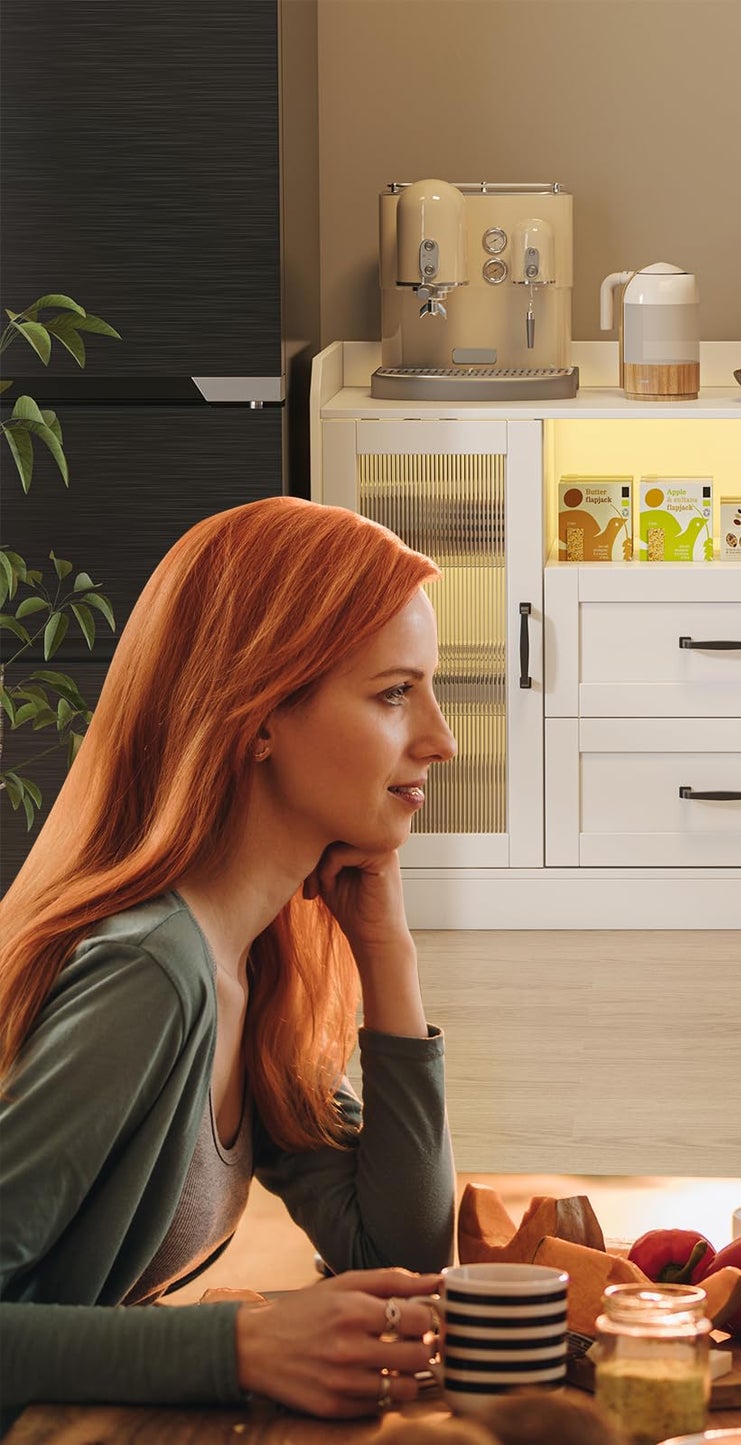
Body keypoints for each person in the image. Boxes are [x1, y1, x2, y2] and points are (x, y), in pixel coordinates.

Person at [0, 496, 460, 1423]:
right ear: (259, 718)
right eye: (393, 693)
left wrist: (386, 955)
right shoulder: (151, 974)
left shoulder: (253, 960)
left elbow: (396, 1249)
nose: (440, 739)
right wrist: (242, 1345)